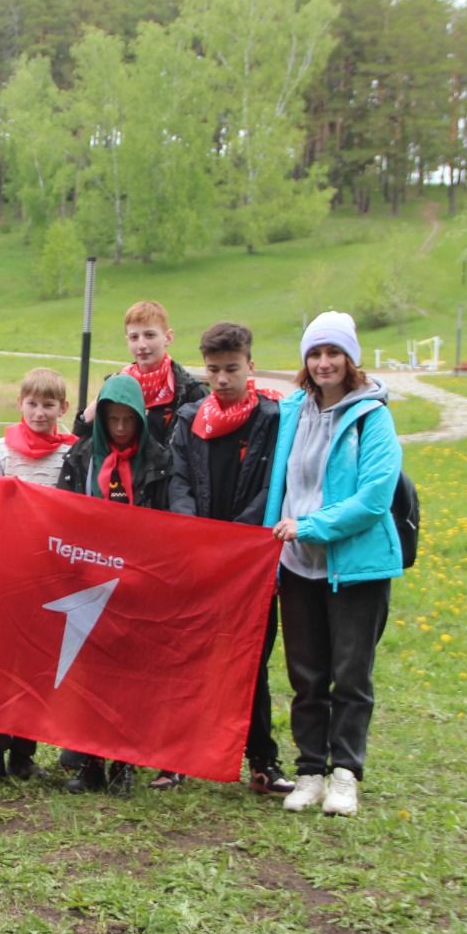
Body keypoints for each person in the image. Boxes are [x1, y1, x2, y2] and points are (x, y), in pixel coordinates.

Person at [265, 311, 403, 817]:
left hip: (354, 567)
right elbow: (279, 481)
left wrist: (311, 525)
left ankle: (345, 773)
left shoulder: (372, 416)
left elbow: (373, 498)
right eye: (315, 354)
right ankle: (309, 772)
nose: (324, 363)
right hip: (298, 565)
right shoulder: (294, 409)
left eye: (333, 353)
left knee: (350, 674)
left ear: (351, 359)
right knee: (306, 674)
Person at [164, 322, 293, 796]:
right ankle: (174, 757)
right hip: (199, 558)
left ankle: (262, 760)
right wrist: (194, 531)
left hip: (249, 564)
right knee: (189, 655)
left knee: (250, 660)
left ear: (250, 366)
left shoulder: (274, 418)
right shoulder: (190, 419)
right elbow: (177, 480)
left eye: (231, 369)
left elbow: (274, 486)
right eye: (213, 369)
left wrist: (238, 540)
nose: (221, 379)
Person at [0, 367, 75, 786]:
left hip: (48, 576)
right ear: (20, 403)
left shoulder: (71, 454)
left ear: (62, 408)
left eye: (49, 404)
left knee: (36, 665)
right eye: (32, 403)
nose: (39, 411)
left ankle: (24, 752)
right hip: (4, 574)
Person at [57, 372, 166, 794]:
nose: (121, 429)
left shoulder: (158, 459)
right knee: (89, 674)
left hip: (138, 583)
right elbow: (63, 514)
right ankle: (89, 763)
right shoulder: (82, 457)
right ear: (100, 419)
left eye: (128, 420)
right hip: (89, 579)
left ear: (140, 418)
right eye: (113, 420)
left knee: (129, 678)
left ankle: (124, 764)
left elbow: (170, 521)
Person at [74, 300, 205, 507]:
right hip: (118, 491)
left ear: (168, 337)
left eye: (150, 335)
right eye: (134, 337)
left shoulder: (189, 391)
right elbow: (84, 440)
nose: (142, 345)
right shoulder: (116, 384)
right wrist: (88, 414)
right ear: (127, 341)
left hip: (165, 494)